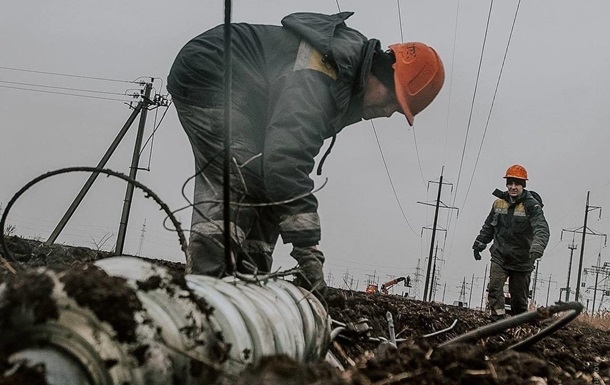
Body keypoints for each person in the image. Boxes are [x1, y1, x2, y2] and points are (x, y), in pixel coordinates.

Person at [167, 11, 445, 294]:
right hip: (213, 71)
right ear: (381, 74)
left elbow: (281, 174)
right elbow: (286, 161)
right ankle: (205, 291)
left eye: (397, 112)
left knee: (267, 184)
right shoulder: (321, 73)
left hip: (251, 93)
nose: (387, 113)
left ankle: (247, 286)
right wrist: (308, 251)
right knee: (242, 172)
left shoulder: (342, 87)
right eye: (392, 100)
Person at [472, 164, 550, 321]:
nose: (513, 187)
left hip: (522, 259)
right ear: (506, 184)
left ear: (523, 185)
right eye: (510, 183)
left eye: (517, 184)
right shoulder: (498, 204)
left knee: (519, 300)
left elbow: (542, 229)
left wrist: (537, 247)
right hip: (500, 255)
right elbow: (489, 226)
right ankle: (497, 319)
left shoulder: (532, 206)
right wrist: (480, 243)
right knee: (494, 287)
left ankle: (518, 324)